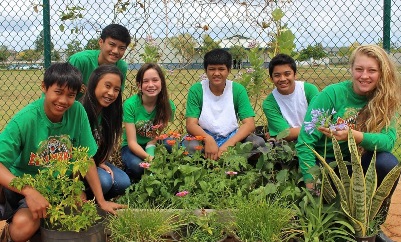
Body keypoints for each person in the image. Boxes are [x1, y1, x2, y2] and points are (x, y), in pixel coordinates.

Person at [0, 63, 125, 242]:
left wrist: (100, 200)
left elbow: (86, 159)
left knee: (81, 215)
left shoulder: (77, 112)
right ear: (44, 87)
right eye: (58, 92)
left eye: (71, 95)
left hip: (62, 188)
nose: (64, 101)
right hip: (28, 187)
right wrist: (30, 192)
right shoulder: (25, 120)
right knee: (23, 227)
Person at [295, 45, 401, 241]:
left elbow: (388, 142)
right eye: (359, 69)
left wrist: (355, 136)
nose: (364, 76)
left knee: (387, 163)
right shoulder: (331, 95)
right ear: (351, 69)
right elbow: (305, 142)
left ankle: (371, 223)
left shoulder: (384, 99)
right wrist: (312, 185)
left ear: (381, 73)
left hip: (357, 168)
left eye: (372, 70)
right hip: (326, 168)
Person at [185, 48, 265, 161]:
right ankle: (210, 167)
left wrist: (229, 144)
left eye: (221, 69)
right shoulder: (197, 90)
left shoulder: (237, 90)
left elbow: (249, 124)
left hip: (231, 136)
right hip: (203, 136)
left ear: (229, 70)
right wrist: (208, 139)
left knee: (258, 143)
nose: (216, 73)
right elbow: (191, 124)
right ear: (206, 70)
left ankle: (235, 166)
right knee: (191, 146)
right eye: (212, 69)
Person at [80, 65, 131, 200]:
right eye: (107, 86)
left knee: (123, 182)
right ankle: (83, 196)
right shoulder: (80, 111)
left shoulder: (110, 112)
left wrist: (101, 161)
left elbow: (105, 143)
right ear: (94, 84)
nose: (111, 93)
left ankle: (95, 200)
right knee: (105, 181)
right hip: (78, 165)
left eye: (116, 90)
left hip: (95, 161)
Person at [121, 63, 176, 181]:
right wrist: (150, 159)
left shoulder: (168, 106)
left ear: (162, 83)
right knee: (138, 166)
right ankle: (130, 175)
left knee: (173, 144)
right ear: (139, 85)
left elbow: (155, 136)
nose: (151, 85)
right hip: (132, 147)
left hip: (152, 143)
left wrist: (151, 147)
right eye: (145, 81)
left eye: (155, 80)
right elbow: (132, 143)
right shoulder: (130, 105)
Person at [263, 53, 319, 141]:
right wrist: (314, 128)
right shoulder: (269, 103)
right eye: (277, 75)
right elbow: (285, 134)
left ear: (295, 75)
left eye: (287, 74)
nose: (282, 79)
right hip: (290, 146)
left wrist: (280, 135)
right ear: (271, 78)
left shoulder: (309, 90)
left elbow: (319, 121)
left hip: (315, 140)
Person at [69, 23, 131, 100]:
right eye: (112, 44)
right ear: (101, 42)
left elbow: (116, 96)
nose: (116, 51)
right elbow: (64, 91)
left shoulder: (121, 66)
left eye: (121, 48)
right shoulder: (80, 60)